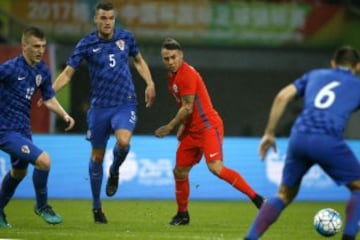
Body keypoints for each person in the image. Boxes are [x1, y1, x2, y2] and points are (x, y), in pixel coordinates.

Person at [52, 1, 155, 224]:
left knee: (124, 142)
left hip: (124, 103)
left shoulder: (126, 38)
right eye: (103, 18)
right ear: (96, 19)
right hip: (99, 108)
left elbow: (138, 60)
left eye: (111, 18)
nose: (107, 22)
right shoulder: (87, 43)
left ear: (114, 20)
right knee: (97, 156)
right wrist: (50, 92)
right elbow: (68, 73)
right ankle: (97, 207)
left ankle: (115, 170)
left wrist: (149, 82)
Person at [244, 46, 360, 240]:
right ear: (357, 66)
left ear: (333, 63)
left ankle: (250, 238)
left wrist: (269, 133)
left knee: (283, 195)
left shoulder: (315, 75)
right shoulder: (356, 85)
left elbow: (282, 96)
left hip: (299, 137)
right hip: (328, 140)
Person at [155, 37, 265, 226]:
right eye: (166, 58)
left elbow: (188, 107)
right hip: (192, 130)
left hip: (208, 127)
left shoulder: (187, 74)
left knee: (216, 168)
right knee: (180, 171)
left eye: (173, 57)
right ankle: (183, 215)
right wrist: (184, 127)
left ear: (181, 56)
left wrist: (170, 126)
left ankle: (258, 199)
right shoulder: (171, 77)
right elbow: (185, 105)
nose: (170, 61)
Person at [0, 26, 75, 228]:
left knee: (19, 173)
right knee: (44, 161)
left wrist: (64, 115)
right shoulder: (9, 68)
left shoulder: (42, 70)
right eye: (35, 46)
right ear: (24, 47)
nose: (40, 50)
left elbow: (48, 98)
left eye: (43, 46)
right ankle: (42, 206)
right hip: (5, 130)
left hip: (23, 130)